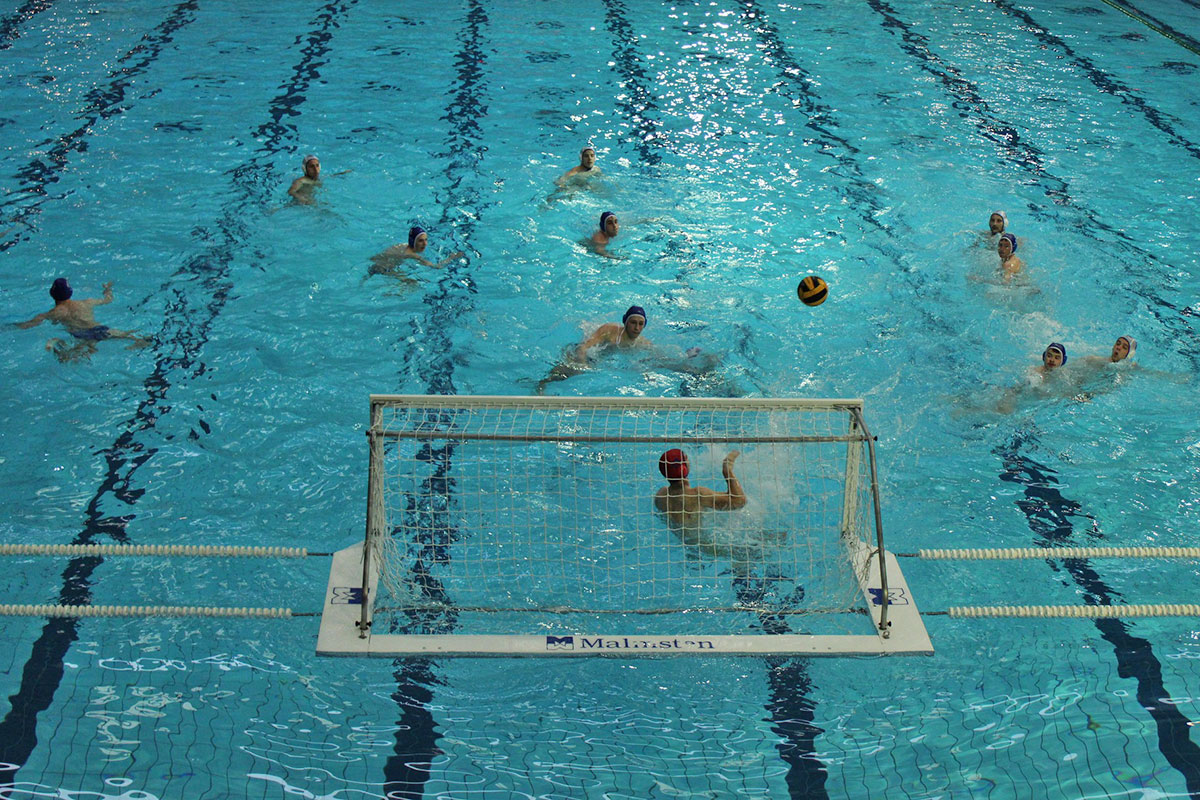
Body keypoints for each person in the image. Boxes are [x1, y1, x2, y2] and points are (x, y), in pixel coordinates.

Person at [14, 278, 150, 362]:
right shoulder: (86, 302)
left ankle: (80, 351)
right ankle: (140, 341)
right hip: (99, 329)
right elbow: (108, 300)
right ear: (71, 292)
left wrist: (12, 326)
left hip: (81, 335)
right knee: (126, 335)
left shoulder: (54, 313)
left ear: (52, 294)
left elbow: (29, 325)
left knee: (66, 357)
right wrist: (108, 289)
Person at [535, 305, 649, 393]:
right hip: (587, 354)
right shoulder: (609, 331)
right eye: (633, 322)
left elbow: (656, 358)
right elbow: (583, 347)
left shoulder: (643, 343)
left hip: (598, 359)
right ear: (625, 321)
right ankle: (540, 385)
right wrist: (582, 363)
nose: (637, 328)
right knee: (570, 371)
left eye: (641, 324)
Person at [370, 226, 466, 275]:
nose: (425, 244)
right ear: (413, 242)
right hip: (382, 269)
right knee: (412, 283)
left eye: (426, 240)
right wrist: (451, 258)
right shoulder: (411, 254)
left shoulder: (402, 246)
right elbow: (436, 266)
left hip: (377, 264)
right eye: (420, 241)